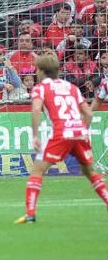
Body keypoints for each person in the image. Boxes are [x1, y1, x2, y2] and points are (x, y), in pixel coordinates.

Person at [15, 54, 108, 224]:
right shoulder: (72, 87)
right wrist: (81, 131)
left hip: (61, 132)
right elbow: (88, 113)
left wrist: (35, 135)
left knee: (37, 170)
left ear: (42, 71)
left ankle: (30, 214)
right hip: (79, 131)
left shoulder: (40, 88)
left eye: (37, 70)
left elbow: (36, 110)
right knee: (90, 172)